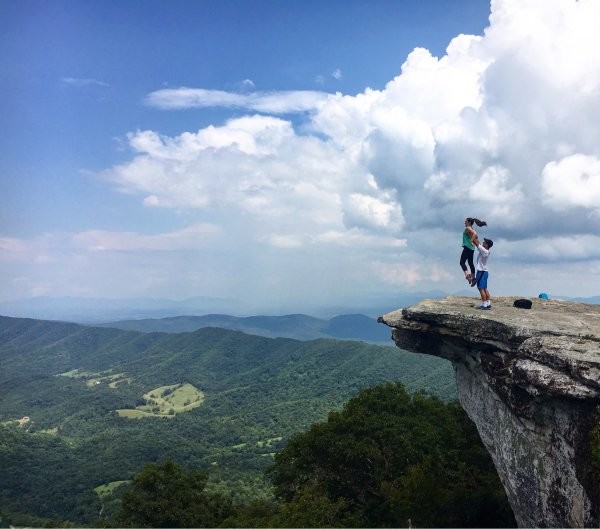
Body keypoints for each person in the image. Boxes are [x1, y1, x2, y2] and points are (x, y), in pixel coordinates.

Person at [460, 218, 487, 286]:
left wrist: (471, 241)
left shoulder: (468, 228)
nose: (464, 222)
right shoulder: (472, 228)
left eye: (465, 221)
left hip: (467, 247)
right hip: (472, 248)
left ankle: (468, 275)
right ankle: (473, 278)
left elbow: (475, 234)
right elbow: (476, 236)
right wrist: (472, 239)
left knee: (462, 262)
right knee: (470, 263)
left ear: (469, 222)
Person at [474, 238, 493, 309]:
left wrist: (472, 234)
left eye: (484, 242)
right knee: (485, 288)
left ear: (487, 245)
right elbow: (478, 245)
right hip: (485, 272)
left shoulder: (484, 251)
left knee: (481, 288)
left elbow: (476, 243)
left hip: (481, 272)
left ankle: (484, 304)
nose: (483, 242)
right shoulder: (486, 251)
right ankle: (488, 303)